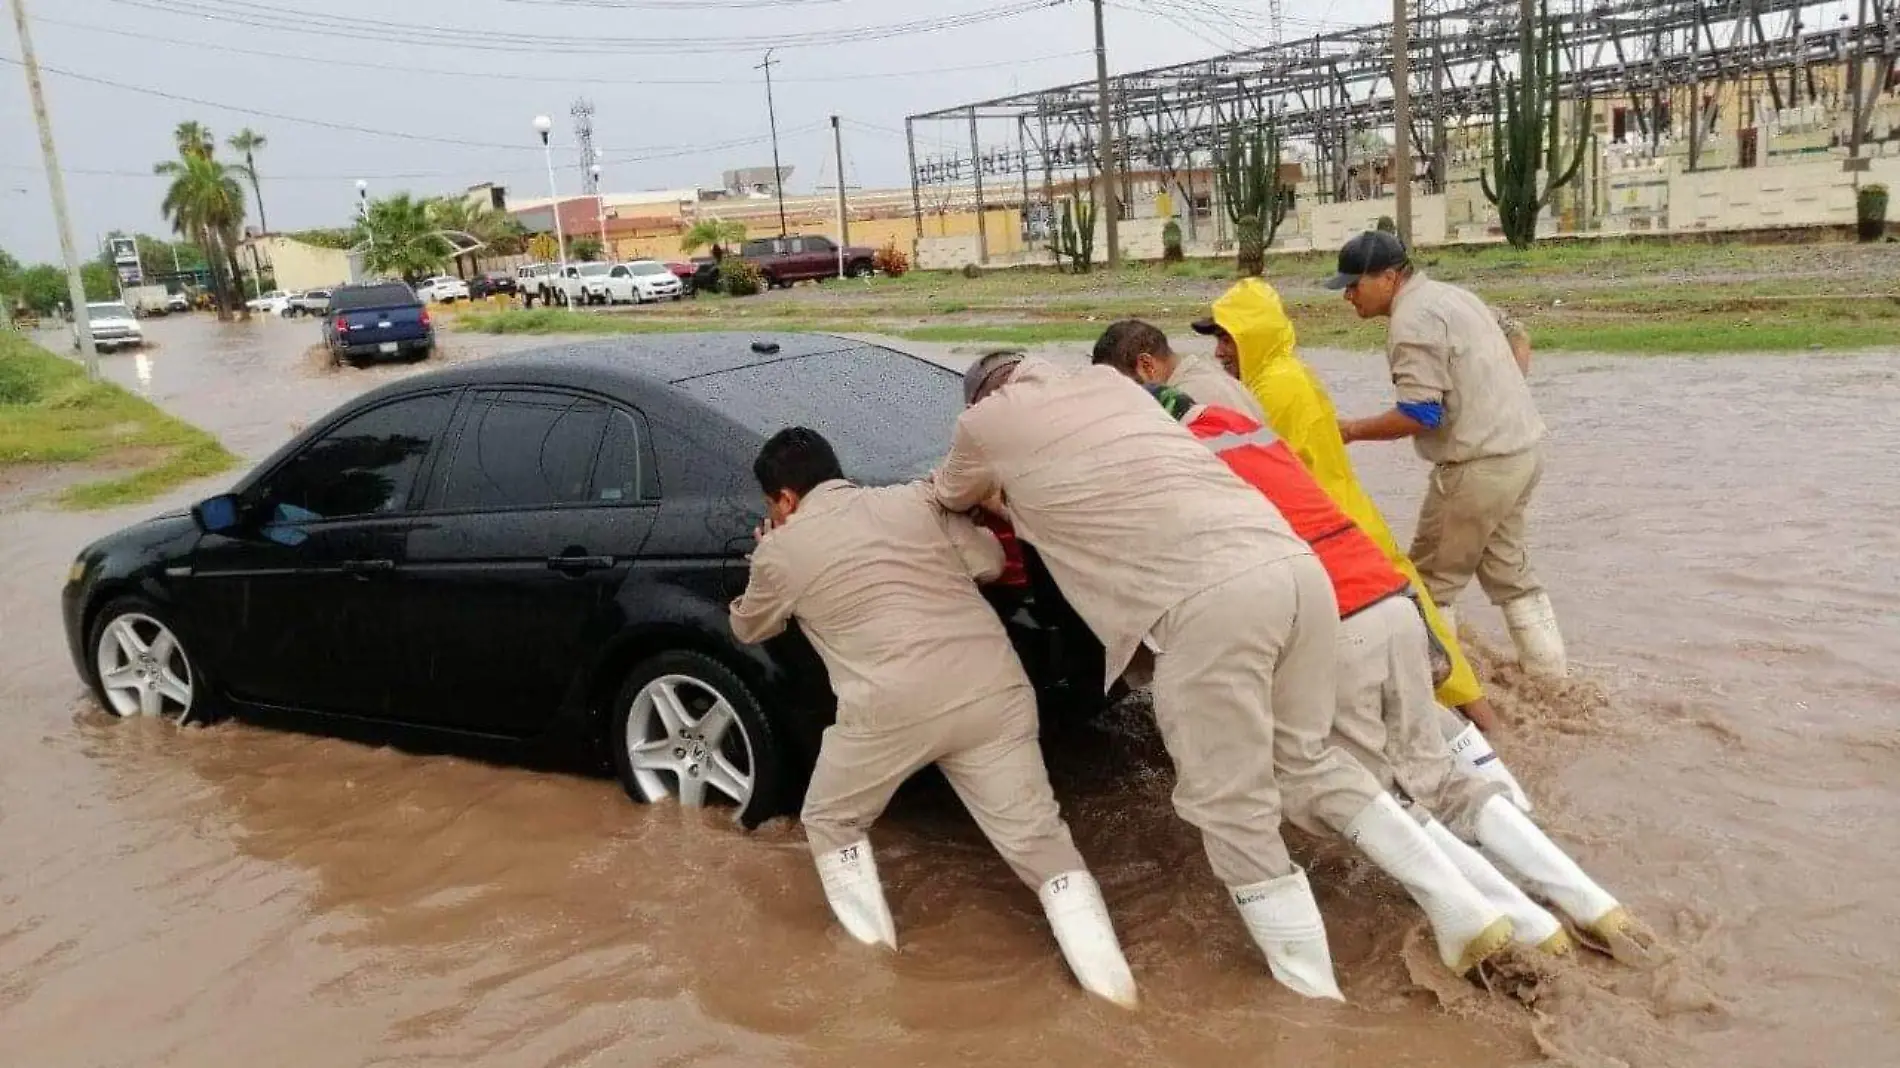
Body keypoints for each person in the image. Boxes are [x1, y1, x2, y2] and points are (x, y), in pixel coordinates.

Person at [932, 351, 1515, 1000]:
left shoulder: (985, 422)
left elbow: (951, 492)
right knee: (1308, 763)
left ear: (982, 396)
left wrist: (992, 492)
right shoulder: (1108, 386)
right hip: (1295, 571)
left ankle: (1313, 1006)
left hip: (1208, 604)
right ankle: (1466, 910)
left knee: (1231, 808)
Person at [1138, 382, 1645, 955]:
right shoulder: (1241, 429)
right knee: (1437, 776)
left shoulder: (1164, 463)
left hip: (1333, 616)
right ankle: (1591, 905)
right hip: (1389, 598)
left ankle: (1516, 926)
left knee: (1374, 792)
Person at [729, 427, 1137, 1008]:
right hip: (993, 690)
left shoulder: (781, 548)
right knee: (1041, 845)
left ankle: (873, 974)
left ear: (785, 500)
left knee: (831, 819)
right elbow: (993, 563)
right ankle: (1117, 995)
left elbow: (750, 627)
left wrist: (764, 554)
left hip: (890, 712)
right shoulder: (913, 499)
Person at [1102, 305, 1531, 810]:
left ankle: (1479, 779)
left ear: (1146, 369)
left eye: (1227, 340)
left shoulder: (1211, 398)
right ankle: (1510, 778)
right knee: (1421, 674)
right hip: (1342, 524)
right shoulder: (1272, 375)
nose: (1219, 352)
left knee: (1388, 718)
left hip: (1319, 542)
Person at [1328, 231, 1567, 680]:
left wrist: (1351, 431)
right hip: (1521, 456)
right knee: (1510, 574)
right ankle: (1552, 682)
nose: (1347, 295)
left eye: (1353, 284)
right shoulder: (1455, 297)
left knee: (1429, 583)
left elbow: (1421, 414)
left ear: (1389, 277)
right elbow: (1518, 333)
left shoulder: (1412, 321)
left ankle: (1446, 699)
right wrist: (1501, 393)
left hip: (1475, 470)